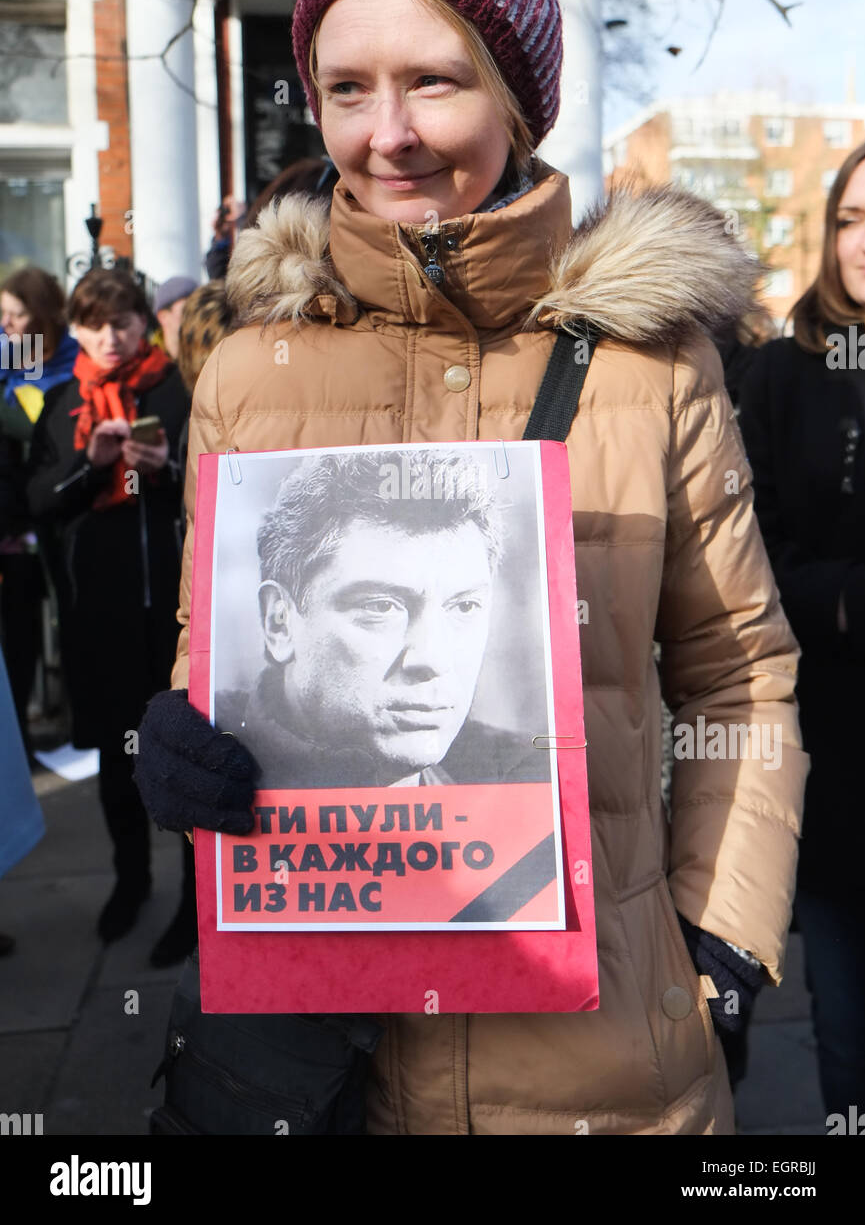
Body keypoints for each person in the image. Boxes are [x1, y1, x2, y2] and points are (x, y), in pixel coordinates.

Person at [135, 0, 808, 1134]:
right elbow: (211, 657)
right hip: (326, 1060)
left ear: (516, 97)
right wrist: (182, 748)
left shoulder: (648, 371)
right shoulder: (246, 374)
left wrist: (718, 943)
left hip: (602, 1068)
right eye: (346, 89)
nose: (384, 133)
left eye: (433, 82)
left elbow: (737, 679)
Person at [738, 139, 865, 1122]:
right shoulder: (784, 372)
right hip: (832, 761)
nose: (859, 243)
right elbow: (745, 560)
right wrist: (839, 599)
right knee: (845, 1034)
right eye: (847, 219)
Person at [26, 268, 196, 967]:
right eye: (95, 325)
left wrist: (168, 466)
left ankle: (195, 903)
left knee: (185, 757)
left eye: (123, 321)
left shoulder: (175, 386)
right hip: (98, 614)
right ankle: (130, 883)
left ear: (143, 322)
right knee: (115, 761)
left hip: (173, 614)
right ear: (74, 331)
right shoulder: (66, 398)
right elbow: (41, 503)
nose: (111, 337)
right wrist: (94, 468)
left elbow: (218, 480)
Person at [216, 448, 544, 789]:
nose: (432, 659)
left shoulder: (530, 787)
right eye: (381, 607)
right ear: (279, 623)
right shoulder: (200, 753)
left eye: (464, 607)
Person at [0, 267, 79, 748]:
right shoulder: (18, 352)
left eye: (15, 313)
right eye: (2, 314)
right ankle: (24, 727)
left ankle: (74, 712)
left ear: (42, 315)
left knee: (69, 610)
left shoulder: (70, 356)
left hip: (64, 501)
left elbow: (44, 427)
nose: (5, 324)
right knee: (22, 624)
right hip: (17, 508)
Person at [152, 276, 198, 360]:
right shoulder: (153, 367)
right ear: (163, 317)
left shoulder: (206, 355)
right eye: (186, 310)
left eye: (198, 308)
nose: (196, 315)